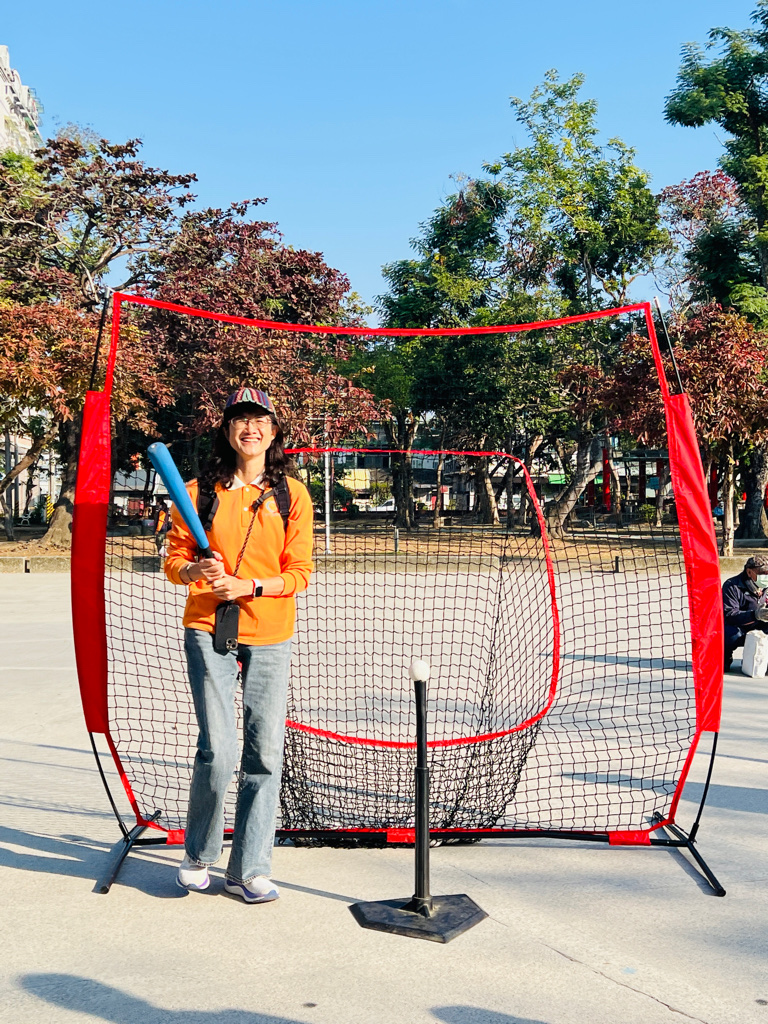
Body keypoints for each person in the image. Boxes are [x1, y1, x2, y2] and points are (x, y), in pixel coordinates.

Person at [164, 387, 313, 903]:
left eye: (260, 420)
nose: (250, 428)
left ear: (273, 433)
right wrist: (196, 571)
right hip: (208, 629)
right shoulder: (198, 491)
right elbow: (173, 562)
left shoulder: (292, 494)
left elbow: (299, 574)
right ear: (227, 431)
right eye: (240, 420)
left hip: (270, 633)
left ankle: (248, 869)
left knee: (265, 753)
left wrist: (247, 585)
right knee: (219, 750)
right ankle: (197, 854)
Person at [722, 554, 768, 671]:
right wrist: (755, 615)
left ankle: (760, 660)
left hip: (761, 626)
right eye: (763, 573)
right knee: (729, 634)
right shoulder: (732, 586)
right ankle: (724, 658)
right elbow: (730, 615)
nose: (766, 576)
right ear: (749, 572)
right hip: (738, 627)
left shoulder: (766, 587)